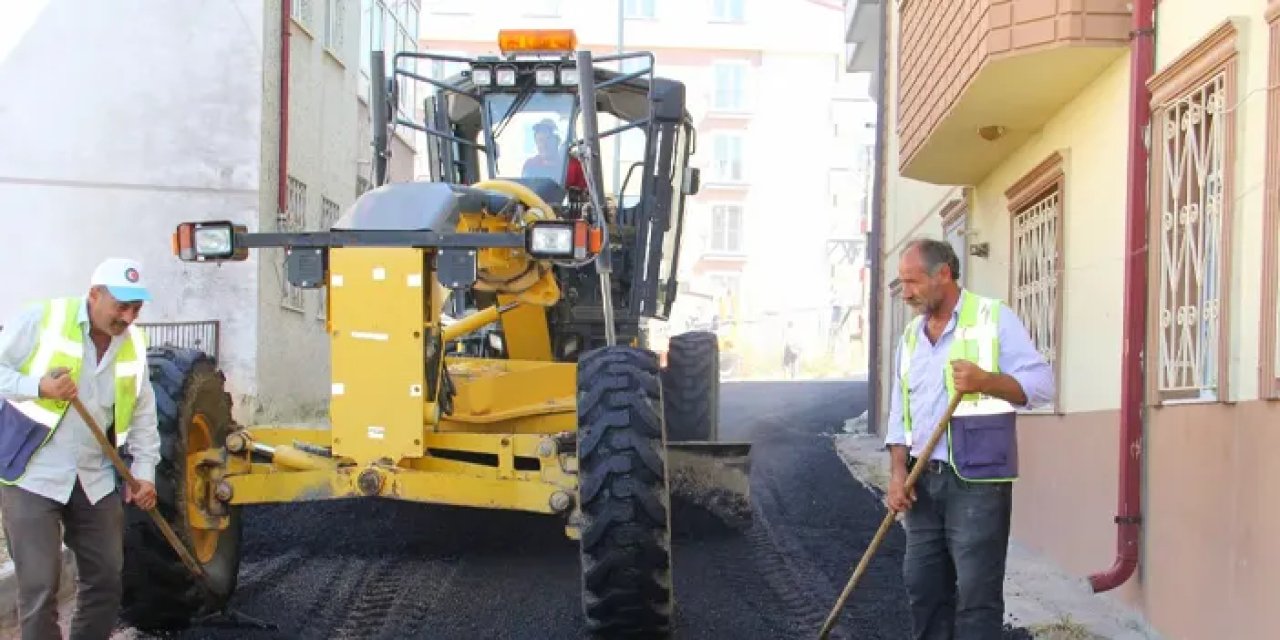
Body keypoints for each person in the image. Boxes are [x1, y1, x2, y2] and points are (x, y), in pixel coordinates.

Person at [884, 238, 1054, 640]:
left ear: (943, 274)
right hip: (920, 483)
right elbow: (899, 413)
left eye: (912, 282)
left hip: (977, 483)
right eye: (901, 283)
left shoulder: (993, 318)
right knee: (923, 588)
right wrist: (895, 472)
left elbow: (1043, 385)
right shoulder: (910, 339)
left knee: (977, 596)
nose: (905, 292)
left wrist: (986, 381)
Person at [0, 258, 161, 640]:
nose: (127, 317)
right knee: (39, 586)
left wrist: (145, 475)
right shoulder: (44, 319)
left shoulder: (134, 345)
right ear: (94, 295)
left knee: (105, 579)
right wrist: (39, 386)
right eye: (120, 306)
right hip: (32, 472)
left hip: (94, 477)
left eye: (135, 308)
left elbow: (143, 417)